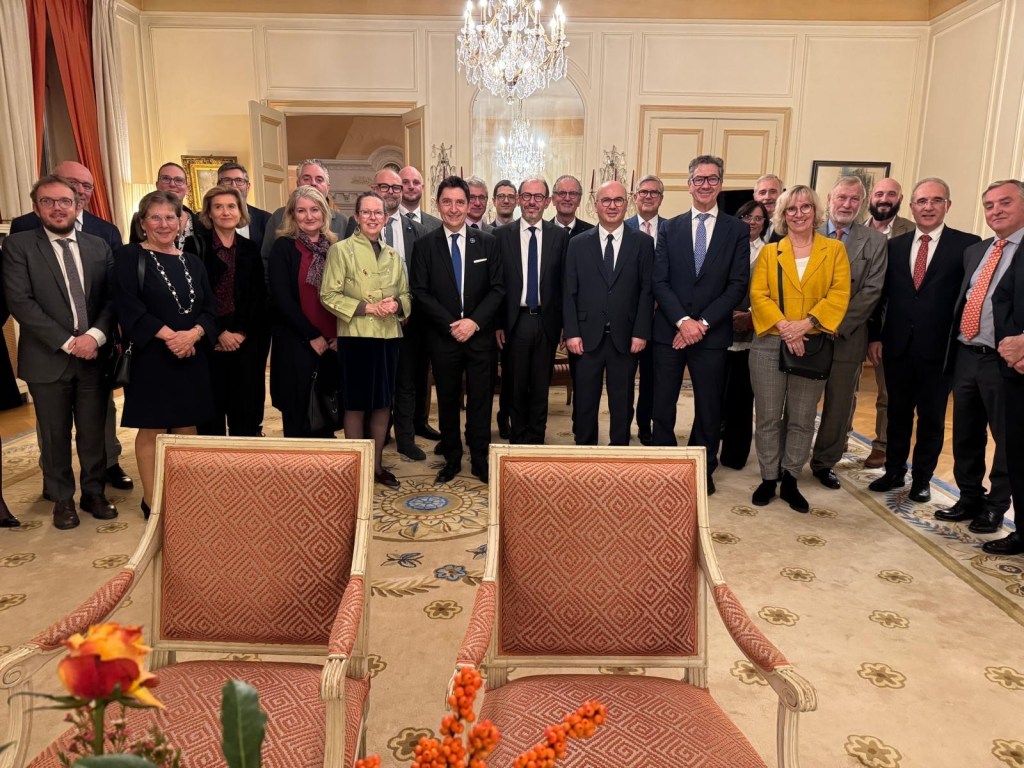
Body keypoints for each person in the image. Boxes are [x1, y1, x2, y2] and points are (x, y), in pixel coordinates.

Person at [3, 175, 118, 530]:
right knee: (54, 435)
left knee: (93, 430)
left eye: (65, 201)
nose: (58, 208)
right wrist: (70, 342)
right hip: (47, 358)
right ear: (37, 208)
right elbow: (21, 302)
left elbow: (113, 298)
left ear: (77, 206)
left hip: (94, 356)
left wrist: (95, 337)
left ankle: (94, 493)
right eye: (48, 201)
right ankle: (62, 499)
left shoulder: (98, 246)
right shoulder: (19, 246)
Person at [866, 178, 980, 502]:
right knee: (897, 414)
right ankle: (893, 471)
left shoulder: (966, 246)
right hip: (897, 347)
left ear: (947, 205)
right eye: (921, 201)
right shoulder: (894, 246)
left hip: (940, 352)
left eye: (935, 201)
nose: (928, 207)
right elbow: (880, 296)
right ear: (911, 206)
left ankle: (922, 479)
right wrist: (875, 336)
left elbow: (971, 299)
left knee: (931, 419)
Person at [114, 191, 217, 518]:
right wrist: (171, 336)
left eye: (170, 217)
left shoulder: (193, 262)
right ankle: (153, 501)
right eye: (155, 217)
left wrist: (194, 334)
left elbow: (209, 310)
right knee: (152, 429)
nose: (163, 224)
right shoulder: (129, 257)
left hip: (191, 355)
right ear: (143, 223)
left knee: (187, 428)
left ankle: (185, 495)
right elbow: (127, 306)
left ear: (181, 221)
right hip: (152, 357)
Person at [651, 155, 750, 494]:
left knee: (709, 407)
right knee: (662, 403)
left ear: (720, 184)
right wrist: (682, 321)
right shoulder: (669, 228)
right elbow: (659, 282)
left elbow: (737, 285)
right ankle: (665, 464)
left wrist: (701, 323)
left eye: (712, 179)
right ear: (688, 183)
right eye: (699, 179)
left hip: (711, 334)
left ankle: (701, 469)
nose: (705, 185)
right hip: (669, 332)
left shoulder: (737, 230)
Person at [749, 185, 850, 512]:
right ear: (782, 215)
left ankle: (791, 478)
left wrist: (803, 326)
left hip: (812, 342)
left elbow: (838, 295)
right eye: (791, 209)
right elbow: (758, 295)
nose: (799, 213)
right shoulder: (769, 251)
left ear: (816, 211)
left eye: (805, 207)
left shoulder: (834, 251)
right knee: (768, 415)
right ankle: (768, 477)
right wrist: (785, 328)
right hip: (769, 343)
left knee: (802, 418)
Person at [935, 179, 1024, 535]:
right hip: (966, 353)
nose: (996, 210)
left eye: (1005, 202)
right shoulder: (978, 250)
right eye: (989, 205)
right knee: (966, 433)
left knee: (1007, 438)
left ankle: (996, 507)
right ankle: (969, 496)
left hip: (1005, 361)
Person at [410, 176, 504, 485]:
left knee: (480, 401)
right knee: (448, 401)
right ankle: (451, 458)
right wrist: (452, 325)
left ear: (471, 205)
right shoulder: (424, 245)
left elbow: (498, 289)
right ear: (437, 205)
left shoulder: (488, 243)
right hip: (443, 338)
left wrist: (473, 322)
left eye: (460, 202)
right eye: (447, 202)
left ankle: (479, 458)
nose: (454, 209)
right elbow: (420, 292)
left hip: (479, 338)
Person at [320, 192, 411, 489]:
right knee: (356, 404)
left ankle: (377, 466)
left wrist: (397, 305)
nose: (373, 218)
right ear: (357, 217)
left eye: (378, 213)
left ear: (385, 218)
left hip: (387, 338)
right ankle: (356, 469)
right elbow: (329, 295)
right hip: (356, 338)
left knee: (383, 403)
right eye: (366, 212)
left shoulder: (393, 255)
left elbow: (406, 294)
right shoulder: (341, 251)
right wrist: (367, 307)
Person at [809, 176, 887, 490]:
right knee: (801, 402)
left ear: (862, 203)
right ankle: (790, 459)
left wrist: (836, 324)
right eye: (842, 197)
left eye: (854, 199)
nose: (847, 204)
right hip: (807, 334)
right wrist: (812, 323)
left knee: (840, 404)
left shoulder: (874, 241)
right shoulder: (808, 232)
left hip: (847, 335)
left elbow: (872, 291)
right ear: (829, 199)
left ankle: (824, 462)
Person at [563, 180, 653, 446]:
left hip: (626, 337)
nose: (612, 206)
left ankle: (619, 451)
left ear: (628, 203)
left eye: (618, 200)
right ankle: (586, 451)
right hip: (586, 338)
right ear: (595, 205)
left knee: (622, 401)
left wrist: (640, 332)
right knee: (586, 402)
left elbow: (647, 291)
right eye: (606, 200)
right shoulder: (578, 244)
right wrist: (572, 332)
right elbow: (569, 291)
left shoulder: (643, 243)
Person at [188, 185, 266, 437]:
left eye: (231, 206)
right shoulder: (194, 246)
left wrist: (240, 333)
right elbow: (195, 297)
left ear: (240, 211)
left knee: (244, 409)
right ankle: (214, 471)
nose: (225, 212)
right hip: (209, 339)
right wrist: (219, 332)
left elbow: (257, 298)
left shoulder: (250, 248)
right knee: (211, 411)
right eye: (218, 207)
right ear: (209, 213)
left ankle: (241, 471)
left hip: (245, 340)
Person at [494, 177, 567, 445]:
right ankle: (518, 436)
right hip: (515, 323)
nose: (532, 202)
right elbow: (496, 285)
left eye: (538, 197)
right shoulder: (501, 236)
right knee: (515, 385)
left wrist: (564, 325)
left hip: (546, 322)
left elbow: (564, 284)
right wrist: (499, 323)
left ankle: (537, 437)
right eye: (526, 196)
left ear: (547, 201)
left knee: (540, 386)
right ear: (518, 200)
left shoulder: (560, 237)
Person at [267, 187, 341, 438]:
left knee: (326, 413)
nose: (309, 216)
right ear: (292, 214)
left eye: (315, 209)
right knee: (299, 414)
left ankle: (326, 474)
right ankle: (300, 475)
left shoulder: (335, 247)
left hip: (332, 344)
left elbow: (345, 296)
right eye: (301, 210)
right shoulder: (284, 247)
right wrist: (311, 335)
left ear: (325, 212)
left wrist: (338, 335)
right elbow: (281, 299)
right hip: (297, 342)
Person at [860, 177, 916, 469]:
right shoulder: (855, 230)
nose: (884, 198)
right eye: (880, 193)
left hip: (887, 323)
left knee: (887, 391)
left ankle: (881, 445)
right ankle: (838, 438)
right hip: (852, 321)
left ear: (900, 198)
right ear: (871, 197)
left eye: (891, 194)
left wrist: (878, 333)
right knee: (843, 388)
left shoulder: (911, 231)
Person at [720, 199, 769, 470]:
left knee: (742, 396)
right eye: (746, 216)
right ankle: (708, 448)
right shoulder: (725, 247)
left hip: (753, 334)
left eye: (758, 218)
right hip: (720, 329)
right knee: (715, 395)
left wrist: (750, 317)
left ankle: (734, 455)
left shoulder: (770, 252)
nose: (751, 222)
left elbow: (773, 291)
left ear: (765, 222)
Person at [625, 174, 666, 445]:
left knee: (652, 378)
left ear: (661, 198)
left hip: (661, 319)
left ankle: (645, 424)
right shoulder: (620, 226)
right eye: (643, 192)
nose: (648, 196)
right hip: (626, 319)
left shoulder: (673, 229)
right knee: (625, 379)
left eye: (654, 192)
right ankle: (622, 424)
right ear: (635, 197)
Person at [989, 237, 1024, 555]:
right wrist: (1013, 346)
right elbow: (1002, 299)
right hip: (1015, 365)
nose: (995, 211)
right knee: (1016, 448)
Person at [261, 160, 350, 276]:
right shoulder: (279, 217)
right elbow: (266, 261)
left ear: (327, 188)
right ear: (298, 184)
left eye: (319, 179)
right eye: (307, 178)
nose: (313, 183)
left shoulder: (343, 222)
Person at [129, 163, 201, 247]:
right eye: (166, 179)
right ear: (157, 185)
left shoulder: (201, 222)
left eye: (179, 180)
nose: (172, 184)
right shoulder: (140, 218)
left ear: (187, 188)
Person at [400, 166, 443, 230]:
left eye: (416, 182)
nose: (411, 187)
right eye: (405, 182)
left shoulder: (439, 226)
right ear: (397, 187)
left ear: (422, 188)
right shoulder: (384, 222)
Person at [754, 174, 784, 243]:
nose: (767, 197)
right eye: (762, 192)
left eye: (773, 192)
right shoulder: (743, 225)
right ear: (755, 197)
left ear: (782, 195)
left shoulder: (791, 225)